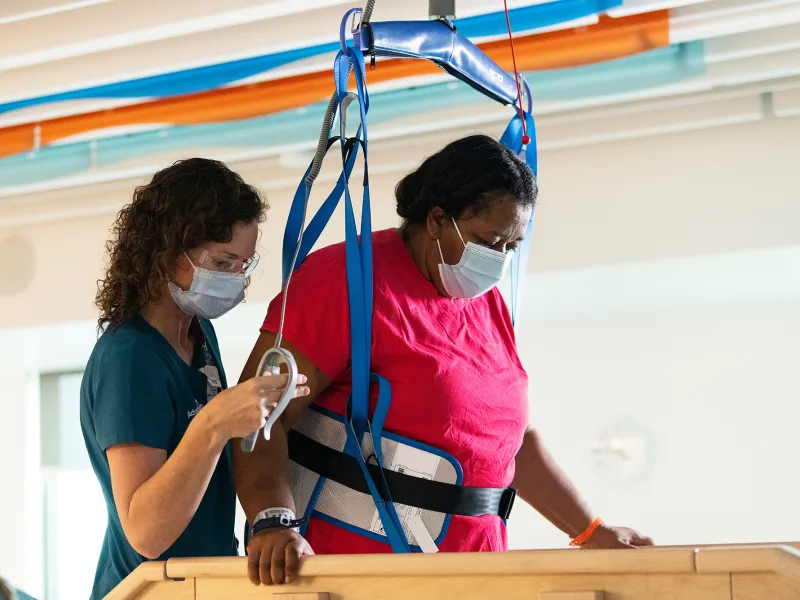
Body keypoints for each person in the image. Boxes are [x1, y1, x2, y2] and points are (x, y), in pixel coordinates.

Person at [234, 135, 652, 587]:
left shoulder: (486, 304)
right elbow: (254, 418)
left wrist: (589, 531)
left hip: (472, 572)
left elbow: (510, 444)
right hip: (361, 575)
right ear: (436, 220)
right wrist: (272, 521)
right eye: (490, 241)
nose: (499, 261)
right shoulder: (344, 281)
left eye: (512, 246)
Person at [80, 158, 310, 599]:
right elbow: (146, 533)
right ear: (167, 253)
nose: (236, 280)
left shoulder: (198, 333)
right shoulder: (130, 359)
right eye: (222, 263)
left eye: (244, 264)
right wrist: (216, 422)